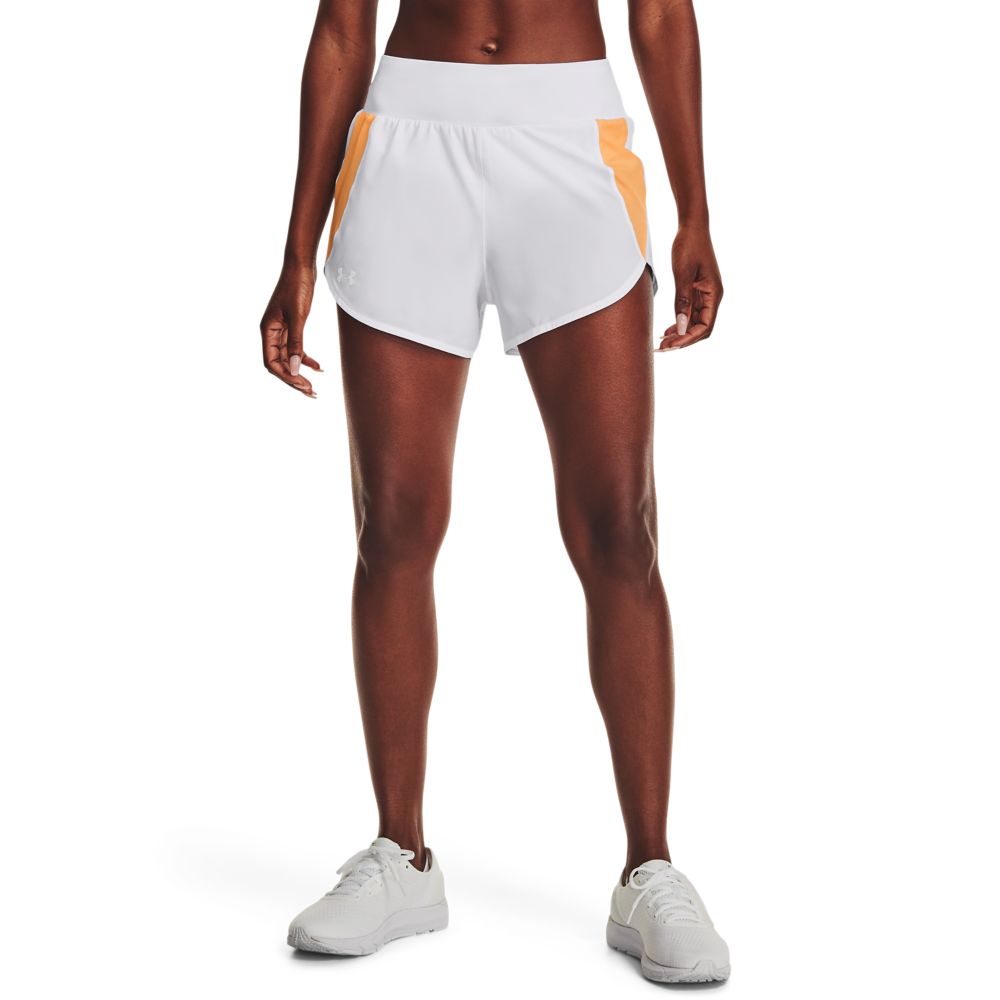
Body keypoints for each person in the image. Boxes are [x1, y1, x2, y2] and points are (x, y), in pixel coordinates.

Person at [260, 0, 728, 984]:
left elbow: (660, 12)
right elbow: (343, 25)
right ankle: (401, 855)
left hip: (568, 137)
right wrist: (296, 249)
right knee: (392, 524)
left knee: (619, 527)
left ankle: (649, 868)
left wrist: (696, 210)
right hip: (407, 145)